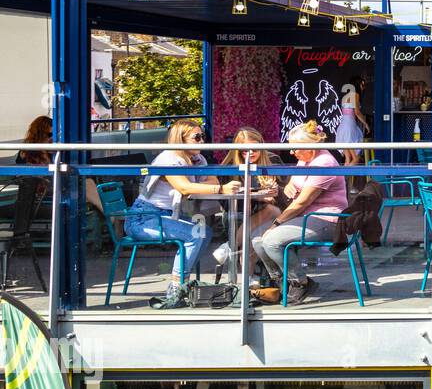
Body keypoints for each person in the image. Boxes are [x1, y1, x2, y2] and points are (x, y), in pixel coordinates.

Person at [128, 119, 238, 309]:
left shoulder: (198, 159)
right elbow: (184, 187)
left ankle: (183, 283)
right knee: (194, 235)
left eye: (203, 136)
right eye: (197, 137)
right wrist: (220, 188)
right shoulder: (168, 159)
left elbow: (210, 181)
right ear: (181, 139)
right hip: (144, 218)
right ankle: (177, 288)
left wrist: (213, 186)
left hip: (166, 215)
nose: (202, 141)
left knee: (204, 233)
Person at [250, 121, 349, 304]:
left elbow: (302, 202)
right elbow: (296, 182)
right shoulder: (305, 158)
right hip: (307, 216)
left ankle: (300, 282)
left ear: (310, 146)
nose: (291, 152)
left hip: (328, 220)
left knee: (271, 241)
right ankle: (282, 284)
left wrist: (276, 224)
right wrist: (288, 185)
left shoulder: (324, 164)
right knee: (257, 240)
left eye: (295, 148)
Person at [218, 127, 283, 265]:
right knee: (253, 237)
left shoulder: (272, 161)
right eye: (245, 149)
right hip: (240, 215)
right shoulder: (229, 167)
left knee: (272, 212)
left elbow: (286, 192)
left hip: (273, 218)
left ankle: (231, 247)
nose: (251, 153)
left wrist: (277, 191)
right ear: (237, 150)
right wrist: (256, 197)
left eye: (255, 148)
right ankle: (249, 278)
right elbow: (225, 203)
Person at [335, 83, 370, 166]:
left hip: (342, 126)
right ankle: (344, 177)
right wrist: (366, 124)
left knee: (347, 159)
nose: (363, 87)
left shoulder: (345, 96)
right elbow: (357, 112)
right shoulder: (356, 95)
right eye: (362, 84)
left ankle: (342, 178)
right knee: (356, 158)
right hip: (350, 127)